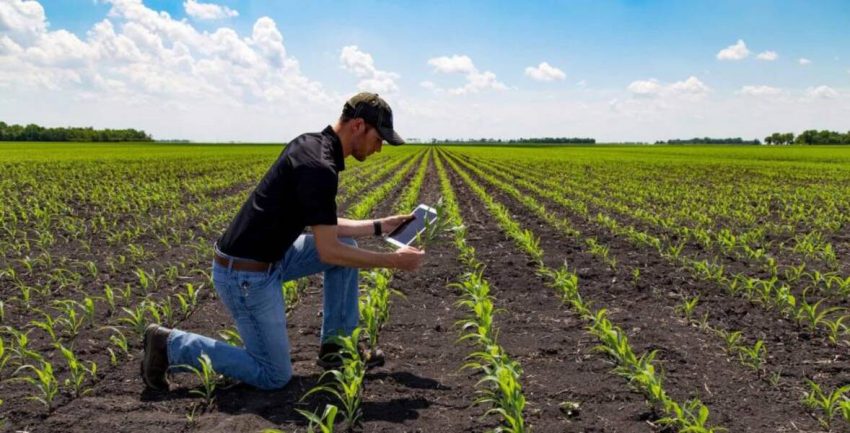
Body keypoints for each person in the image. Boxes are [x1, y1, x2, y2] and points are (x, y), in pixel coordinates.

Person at [140, 92, 425, 391]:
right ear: (357, 125)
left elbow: (324, 227)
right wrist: (394, 261)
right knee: (273, 375)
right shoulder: (320, 167)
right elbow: (329, 249)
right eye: (379, 138)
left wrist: (380, 226)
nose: (380, 148)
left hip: (269, 257)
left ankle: (337, 349)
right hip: (246, 276)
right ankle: (169, 346)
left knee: (348, 251)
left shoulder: (311, 144)